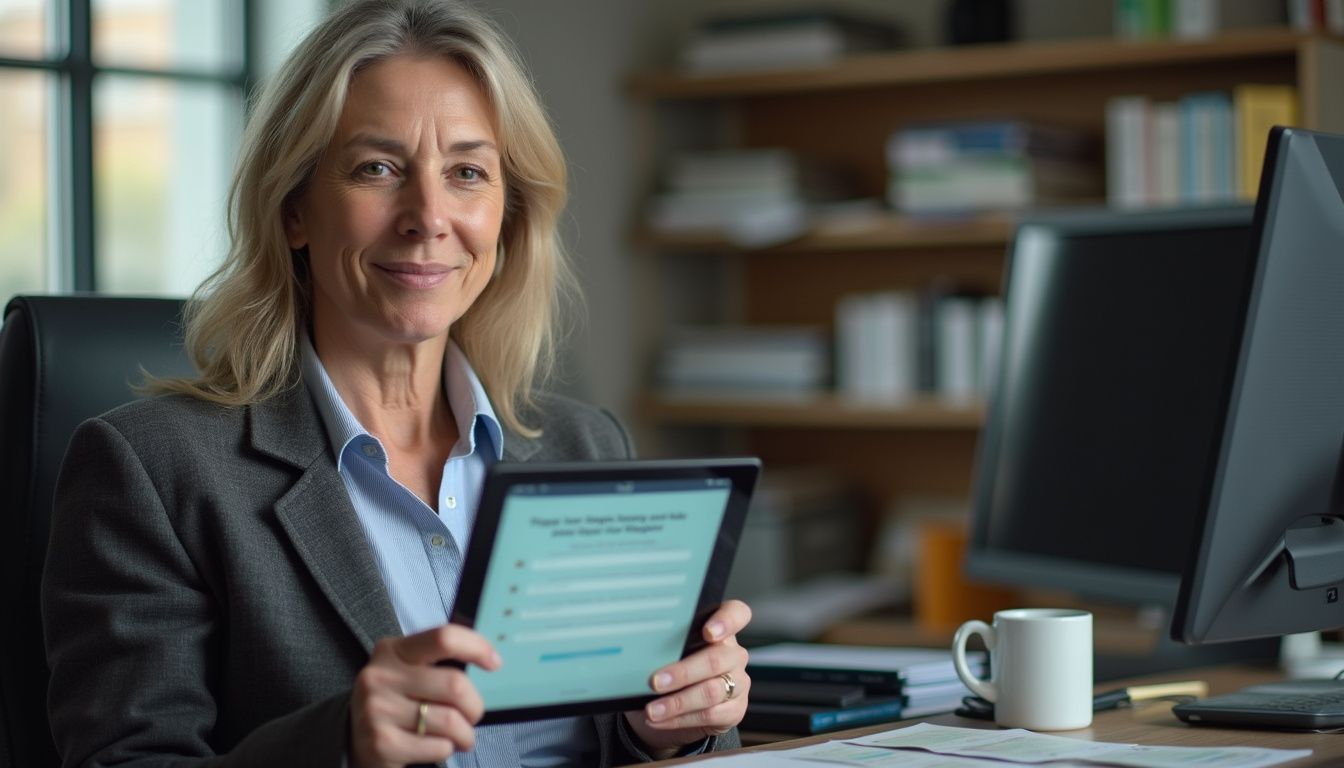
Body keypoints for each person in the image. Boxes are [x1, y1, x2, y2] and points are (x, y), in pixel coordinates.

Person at [39, 1, 752, 766]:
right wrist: (339, 745)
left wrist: (676, 720)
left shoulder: (586, 445)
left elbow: (648, 723)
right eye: (377, 168)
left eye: (467, 173)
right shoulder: (154, 471)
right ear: (294, 210)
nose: (428, 217)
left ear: (507, 219)